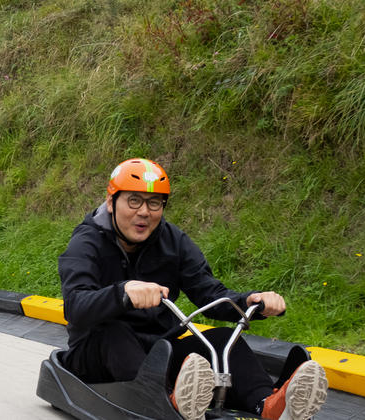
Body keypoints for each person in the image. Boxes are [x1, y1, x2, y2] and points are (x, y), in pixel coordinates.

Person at [58, 158, 328, 420]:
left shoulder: (173, 241)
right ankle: (170, 401)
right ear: (111, 201)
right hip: (95, 354)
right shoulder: (86, 243)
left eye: (154, 203)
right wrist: (123, 293)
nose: (144, 212)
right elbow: (76, 307)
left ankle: (268, 405)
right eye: (134, 200)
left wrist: (251, 303)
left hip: (157, 352)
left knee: (221, 339)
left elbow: (209, 293)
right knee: (114, 332)